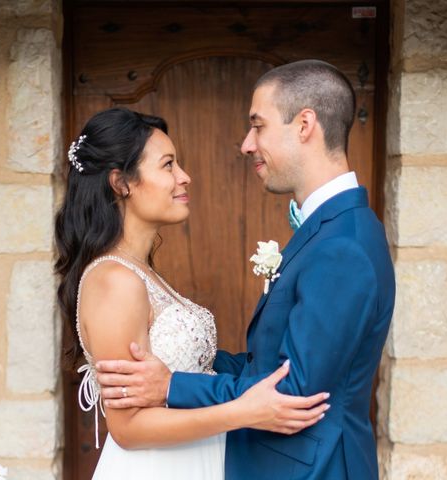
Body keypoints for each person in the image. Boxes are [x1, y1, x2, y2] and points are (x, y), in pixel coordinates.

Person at [95, 60, 396, 479]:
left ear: (305, 124)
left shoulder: (342, 244)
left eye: (259, 126)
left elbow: (295, 393)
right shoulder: (333, 232)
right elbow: (272, 364)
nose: (246, 144)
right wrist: (187, 360)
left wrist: (172, 387)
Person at [54, 107, 330, 479]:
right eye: (168, 165)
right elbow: (128, 428)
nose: (184, 177)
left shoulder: (141, 273)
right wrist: (246, 411)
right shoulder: (114, 280)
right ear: (122, 183)